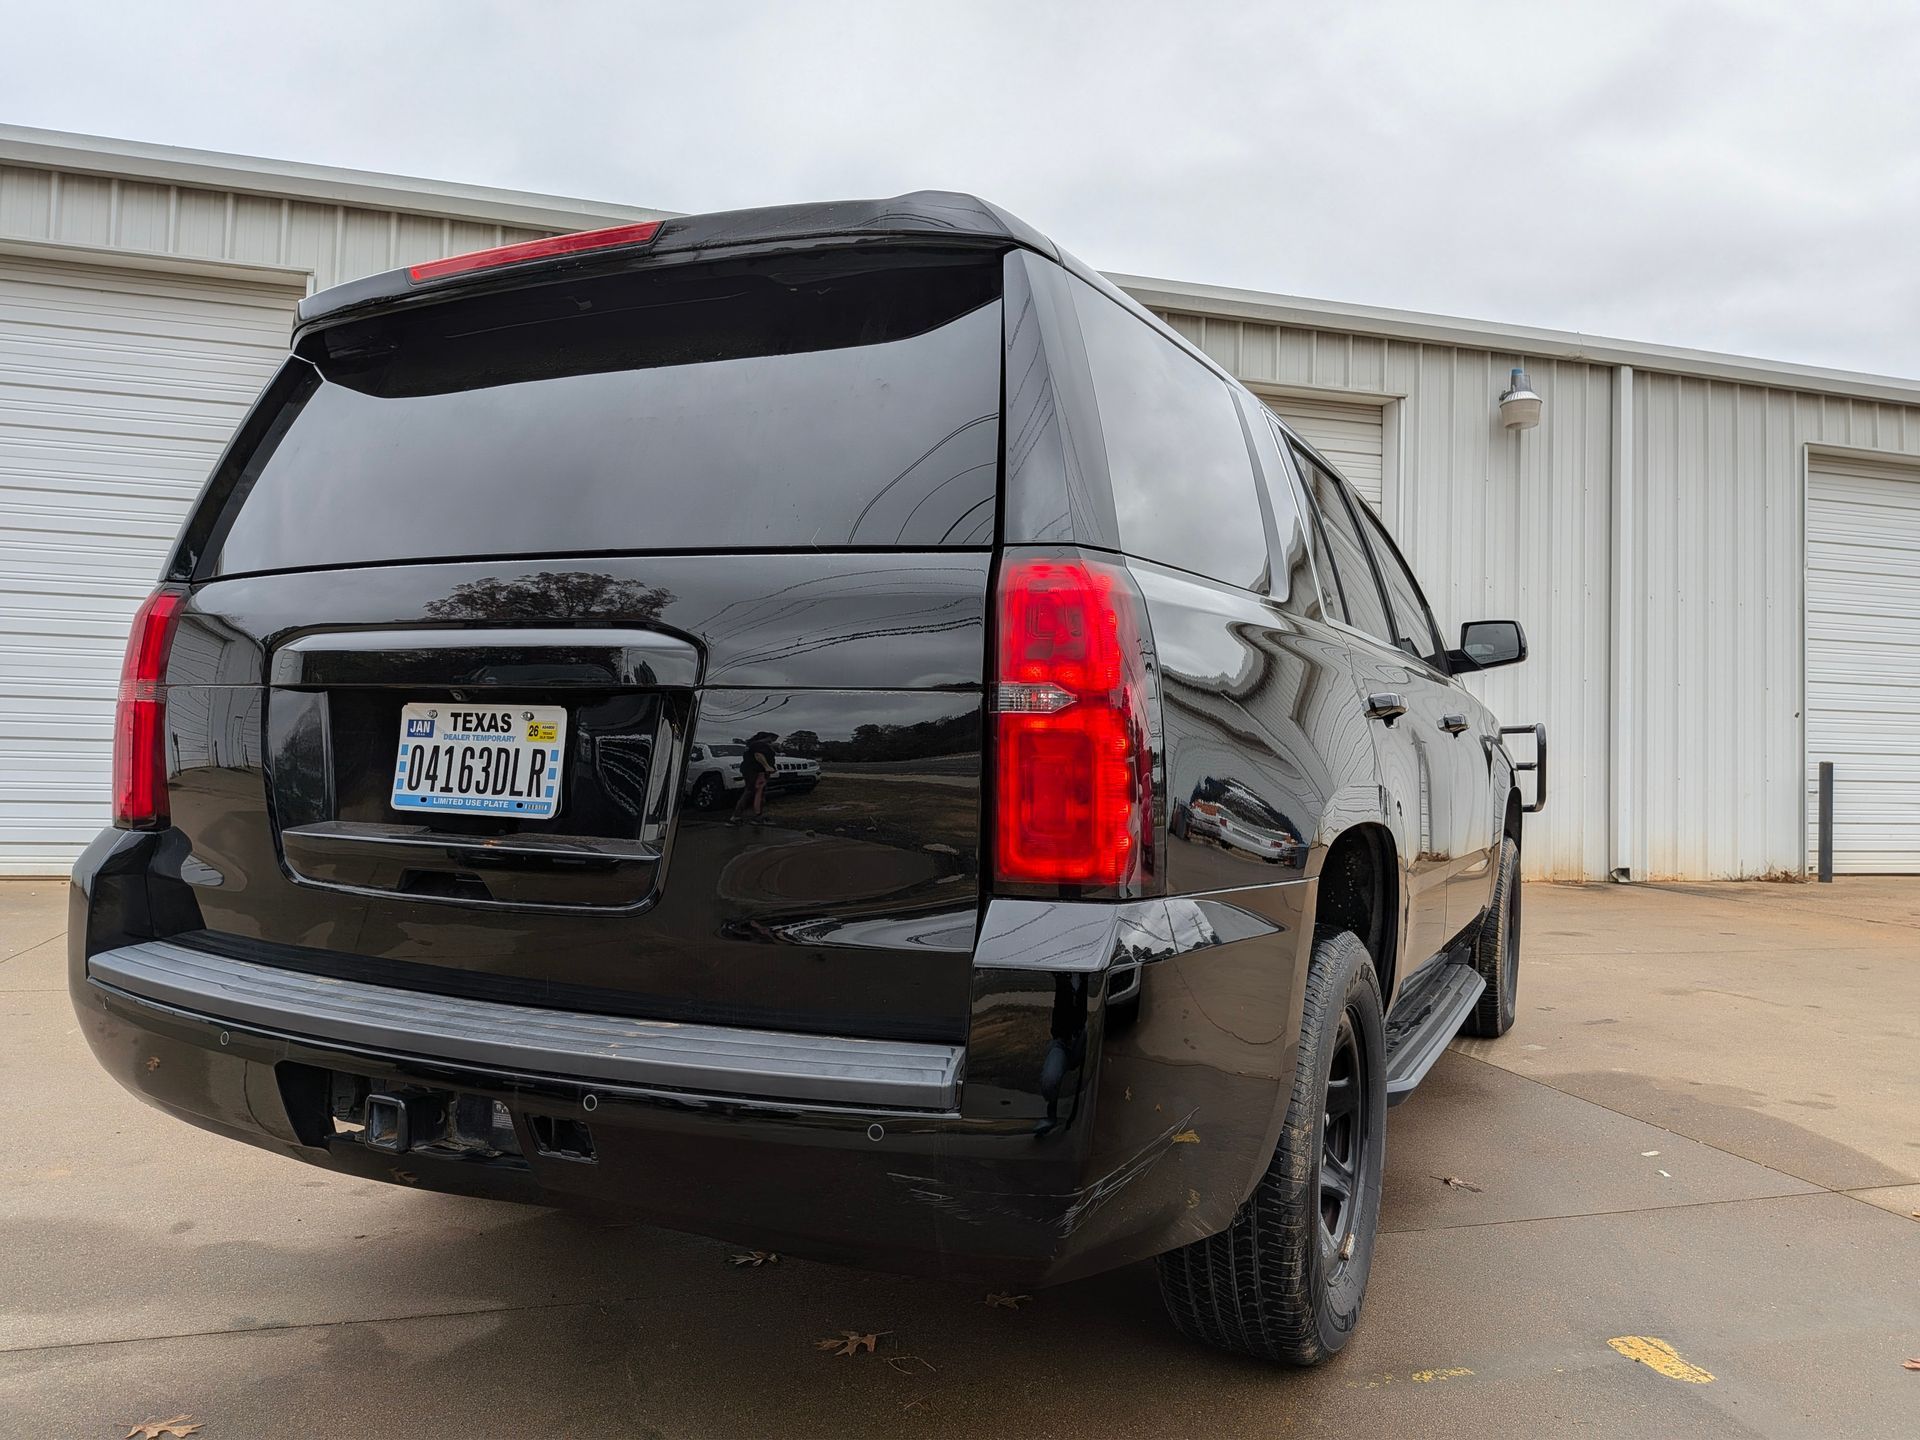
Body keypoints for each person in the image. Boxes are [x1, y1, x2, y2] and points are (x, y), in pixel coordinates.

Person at [730, 732, 778, 823]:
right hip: (756, 772)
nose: (772, 740)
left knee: (753, 792)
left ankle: (752, 815)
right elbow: (758, 755)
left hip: (753, 771)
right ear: (765, 737)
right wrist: (767, 766)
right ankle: (747, 816)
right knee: (755, 793)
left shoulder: (752, 745)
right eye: (771, 738)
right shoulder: (759, 744)